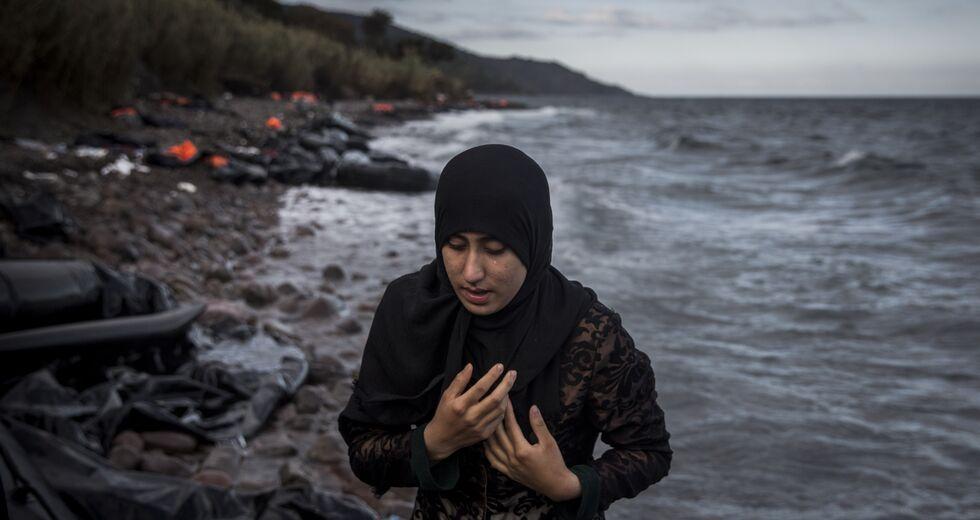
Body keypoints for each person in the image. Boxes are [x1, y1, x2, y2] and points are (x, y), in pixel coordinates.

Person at [338, 144, 672, 519]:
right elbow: (363, 451)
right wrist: (433, 441)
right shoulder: (413, 309)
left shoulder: (589, 332)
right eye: (455, 245)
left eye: (495, 249)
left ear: (532, 242)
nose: (470, 272)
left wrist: (567, 484)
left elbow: (650, 451)